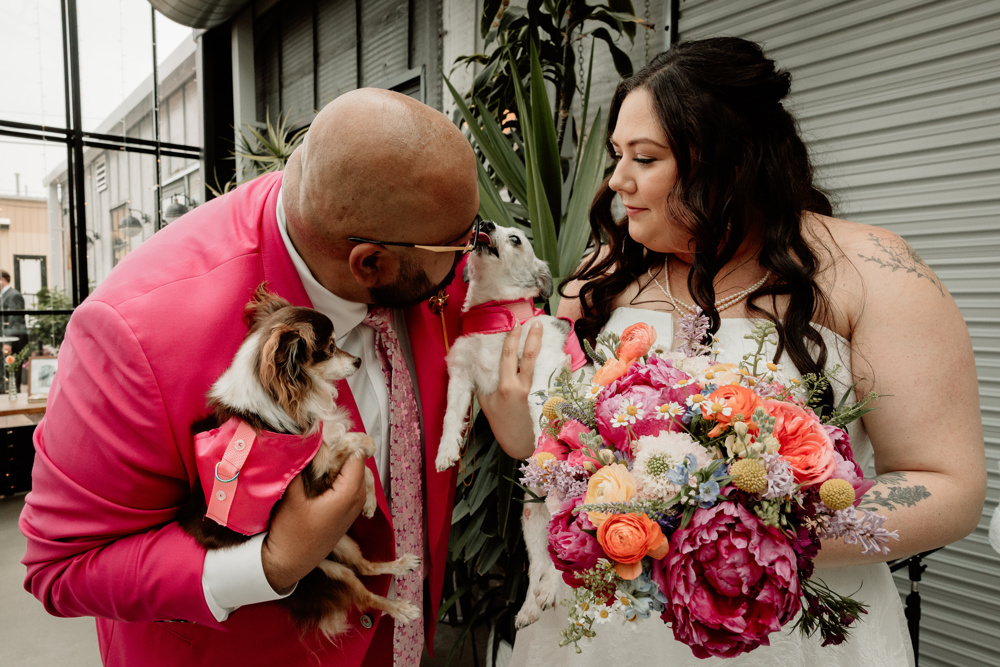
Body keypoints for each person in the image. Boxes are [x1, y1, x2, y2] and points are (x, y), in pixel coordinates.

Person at [19, 88, 542, 667]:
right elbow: (61, 567)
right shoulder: (131, 330)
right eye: (459, 242)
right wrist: (270, 562)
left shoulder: (394, 224)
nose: (473, 250)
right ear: (370, 262)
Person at [509, 37, 986, 666]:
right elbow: (541, 448)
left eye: (644, 158)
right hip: (600, 632)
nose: (617, 181)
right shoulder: (603, 276)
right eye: (617, 155)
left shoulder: (874, 271)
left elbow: (947, 487)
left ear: (732, 161)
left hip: (788, 631)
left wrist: (743, 534)